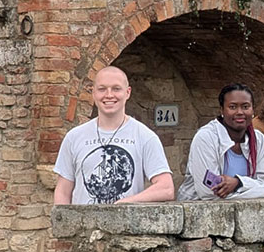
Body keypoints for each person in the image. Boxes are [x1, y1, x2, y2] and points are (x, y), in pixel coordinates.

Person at [53, 66, 174, 204]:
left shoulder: (145, 136)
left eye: (116, 89)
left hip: (128, 224)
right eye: (102, 89)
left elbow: (166, 188)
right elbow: (63, 191)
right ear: (93, 93)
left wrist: (128, 202)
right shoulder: (74, 137)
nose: (109, 95)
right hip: (83, 224)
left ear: (127, 92)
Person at [177, 83, 264, 200]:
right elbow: (209, 192)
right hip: (199, 210)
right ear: (222, 110)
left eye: (245, 106)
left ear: (253, 110)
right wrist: (262, 191)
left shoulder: (259, 139)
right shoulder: (206, 137)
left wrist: (238, 183)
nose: (239, 112)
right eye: (232, 107)